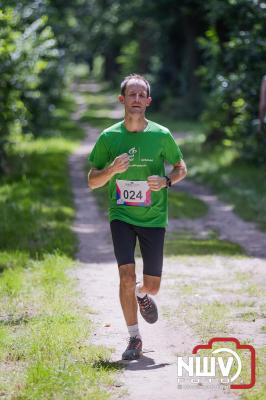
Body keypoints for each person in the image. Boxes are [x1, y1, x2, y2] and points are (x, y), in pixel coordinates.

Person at [88, 74, 187, 360]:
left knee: (151, 284)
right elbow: (92, 180)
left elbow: (182, 168)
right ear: (122, 100)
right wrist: (111, 171)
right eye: (131, 95)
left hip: (154, 217)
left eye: (141, 95)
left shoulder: (161, 135)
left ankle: (143, 295)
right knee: (126, 276)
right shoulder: (109, 137)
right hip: (121, 215)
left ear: (148, 101)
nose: (136, 100)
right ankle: (134, 338)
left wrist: (167, 181)